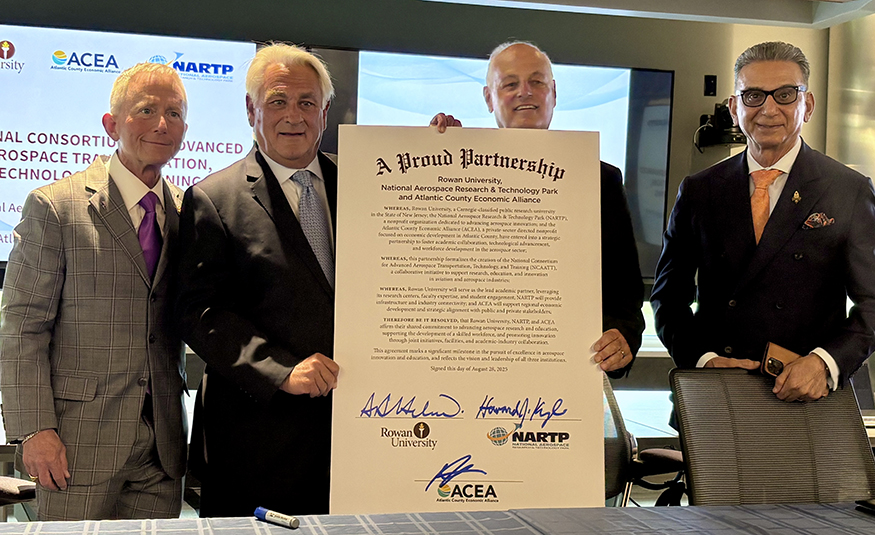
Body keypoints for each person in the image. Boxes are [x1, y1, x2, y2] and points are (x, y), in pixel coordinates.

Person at [0, 62, 189, 520]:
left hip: (161, 448)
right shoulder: (55, 207)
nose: (163, 124)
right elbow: (22, 327)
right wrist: (34, 430)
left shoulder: (188, 211)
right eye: (146, 110)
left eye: (175, 113)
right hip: (75, 443)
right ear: (111, 125)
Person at [651, 41, 875, 402]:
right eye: (753, 95)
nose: (769, 108)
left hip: (808, 396)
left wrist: (824, 363)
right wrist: (703, 361)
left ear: (808, 105)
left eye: (785, 94)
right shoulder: (700, 190)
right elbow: (667, 297)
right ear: (734, 107)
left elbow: (873, 302)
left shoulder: (848, 189)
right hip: (716, 394)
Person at [175, 43, 339, 517]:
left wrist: (441, 146)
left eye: (307, 102)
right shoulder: (213, 198)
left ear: (324, 112)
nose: (294, 115)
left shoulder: (367, 188)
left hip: (356, 438)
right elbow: (198, 312)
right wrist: (281, 371)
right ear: (251, 110)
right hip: (258, 444)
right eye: (278, 101)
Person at [432, 41, 645, 376]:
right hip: (464, 367)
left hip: (562, 376)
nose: (524, 93)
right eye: (510, 84)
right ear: (489, 98)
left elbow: (625, 294)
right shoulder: (454, 173)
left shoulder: (600, 179)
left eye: (537, 81)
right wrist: (437, 164)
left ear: (554, 92)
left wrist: (623, 337)